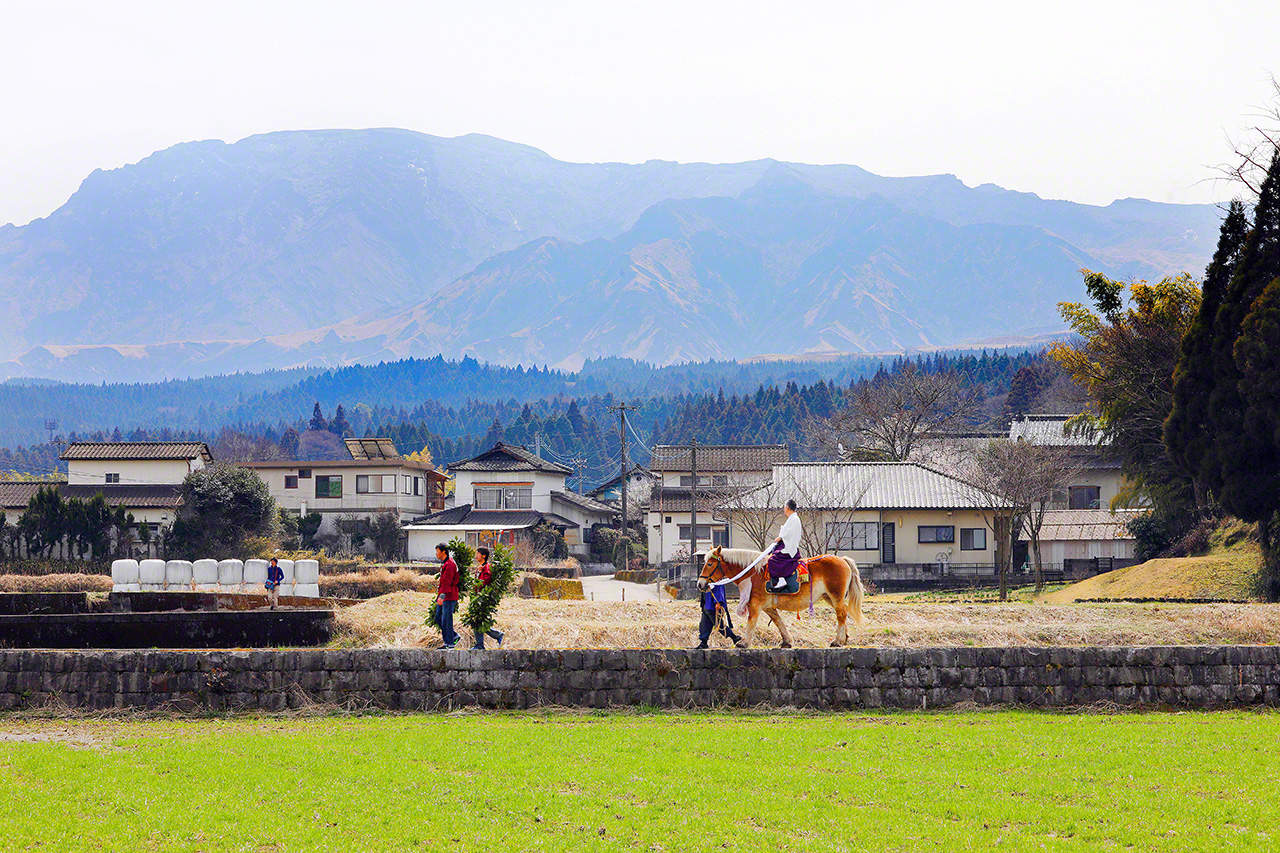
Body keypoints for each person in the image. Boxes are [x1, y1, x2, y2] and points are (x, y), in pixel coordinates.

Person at [470, 546, 506, 650]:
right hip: (477, 597)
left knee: (478, 621)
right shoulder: (480, 567)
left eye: (478, 554)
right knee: (477, 621)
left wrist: (481, 573)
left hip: (483, 598)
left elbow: (486, 581)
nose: (476, 556)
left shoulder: (487, 567)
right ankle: (481, 643)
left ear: (484, 556)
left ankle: (495, 636)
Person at [767, 499, 803, 593]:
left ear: (787, 507)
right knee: (772, 555)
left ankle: (779, 581)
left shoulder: (794, 519)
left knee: (772, 560)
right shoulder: (792, 518)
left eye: (784, 507)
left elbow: (790, 533)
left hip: (789, 548)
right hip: (786, 544)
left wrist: (780, 537)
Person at [696, 580, 741, 648]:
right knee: (704, 624)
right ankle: (703, 642)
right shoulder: (707, 578)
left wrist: (718, 602)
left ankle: (734, 637)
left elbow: (719, 590)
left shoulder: (717, 578)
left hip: (712, 606)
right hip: (706, 605)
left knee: (719, 625)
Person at [434, 543, 461, 649]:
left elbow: (447, 582)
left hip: (448, 596)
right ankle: (453, 636)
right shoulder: (446, 563)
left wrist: (442, 596)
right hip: (445, 595)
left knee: (446, 620)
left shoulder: (449, 564)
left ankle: (449, 643)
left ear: (443, 552)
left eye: (437, 551)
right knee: (438, 618)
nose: (436, 554)